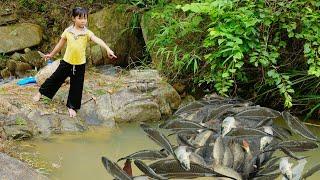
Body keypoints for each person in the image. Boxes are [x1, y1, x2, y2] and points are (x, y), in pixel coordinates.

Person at [33, 7, 117, 118]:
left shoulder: (87, 33)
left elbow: (98, 40)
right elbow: (60, 44)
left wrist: (107, 49)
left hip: (80, 65)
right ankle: (41, 93)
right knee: (55, 78)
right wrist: (51, 54)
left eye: (85, 18)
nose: (83, 21)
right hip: (66, 62)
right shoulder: (68, 31)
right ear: (73, 18)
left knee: (77, 86)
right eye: (80, 18)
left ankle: (71, 106)